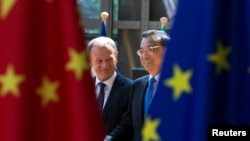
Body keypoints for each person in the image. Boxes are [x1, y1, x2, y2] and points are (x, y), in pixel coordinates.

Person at [106, 29, 170, 141]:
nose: (144, 56)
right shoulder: (138, 85)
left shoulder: (178, 88)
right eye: (142, 51)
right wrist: (109, 138)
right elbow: (128, 123)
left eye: (150, 49)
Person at [87, 36, 133, 141]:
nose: (105, 66)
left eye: (109, 59)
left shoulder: (131, 89)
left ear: (116, 57)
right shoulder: (82, 90)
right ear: (90, 61)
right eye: (99, 61)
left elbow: (128, 124)